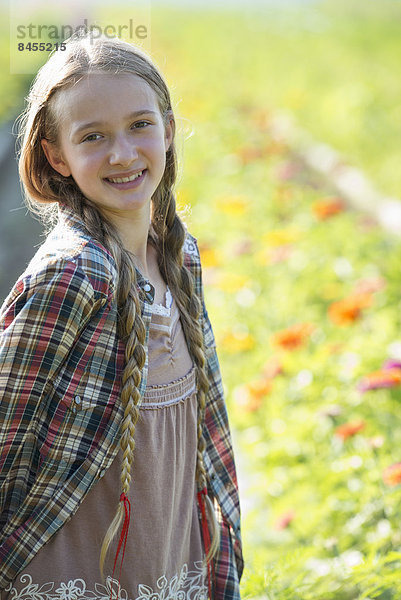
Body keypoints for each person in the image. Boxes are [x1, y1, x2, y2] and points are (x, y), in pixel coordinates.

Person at [0, 29, 243, 600]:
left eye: (140, 125)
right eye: (93, 137)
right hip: (79, 566)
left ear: (168, 128)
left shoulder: (179, 255)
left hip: (166, 557)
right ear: (56, 155)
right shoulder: (72, 277)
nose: (123, 154)